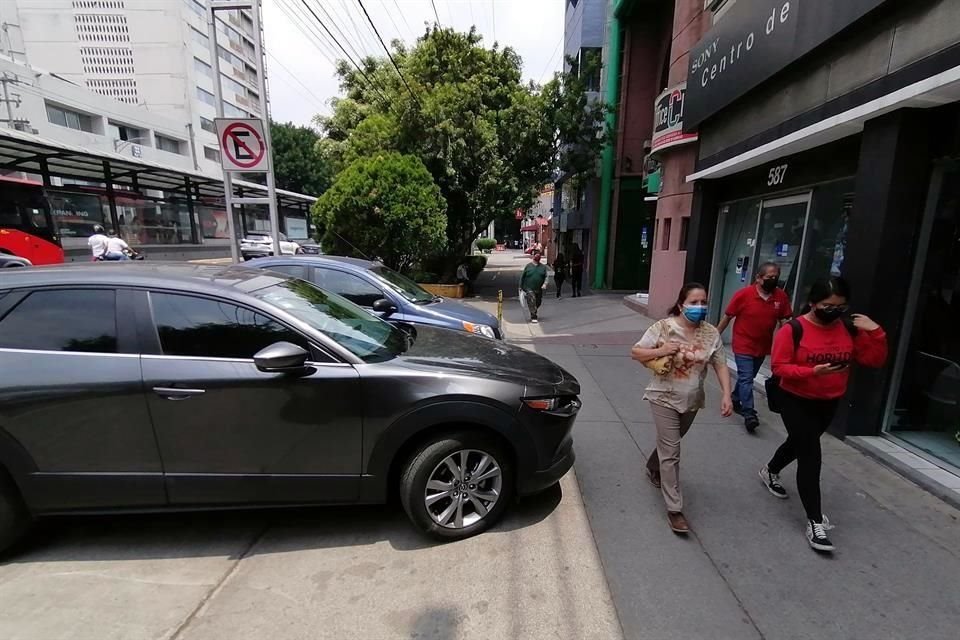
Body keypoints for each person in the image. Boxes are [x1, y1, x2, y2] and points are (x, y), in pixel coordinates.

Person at [759, 276, 887, 553]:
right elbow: (779, 368)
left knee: (798, 444)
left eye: (840, 306)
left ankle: (770, 469)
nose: (834, 311)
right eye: (828, 305)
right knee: (810, 455)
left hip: (829, 401)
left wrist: (876, 331)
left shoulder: (849, 329)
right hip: (795, 399)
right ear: (813, 303)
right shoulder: (793, 329)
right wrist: (811, 372)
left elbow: (873, 360)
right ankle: (815, 522)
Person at [631, 283, 733, 534]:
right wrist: (663, 350)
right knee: (673, 449)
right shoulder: (664, 327)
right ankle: (674, 509)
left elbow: (720, 365)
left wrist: (727, 395)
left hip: (692, 400)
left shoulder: (711, 334)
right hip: (663, 396)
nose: (700, 307)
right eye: (694, 302)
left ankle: (652, 465)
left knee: (670, 443)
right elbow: (635, 352)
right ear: (681, 305)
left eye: (703, 303)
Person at [717, 262, 793, 432]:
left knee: (748, 377)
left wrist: (788, 340)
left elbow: (785, 320)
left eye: (776, 277)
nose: (773, 280)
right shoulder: (744, 295)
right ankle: (749, 413)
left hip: (762, 346)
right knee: (746, 377)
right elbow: (728, 316)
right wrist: (715, 335)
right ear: (758, 278)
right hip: (743, 343)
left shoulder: (780, 296)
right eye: (769, 277)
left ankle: (736, 398)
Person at [519, 251, 548, 323]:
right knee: (532, 300)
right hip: (529, 288)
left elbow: (546, 277)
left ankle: (534, 309)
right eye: (536, 255)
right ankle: (533, 316)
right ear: (533, 256)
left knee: (538, 302)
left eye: (539, 255)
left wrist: (545, 284)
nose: (537, 257)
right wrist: (520, 286)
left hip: (538, 289)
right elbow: (522, 277)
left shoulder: (543, 267)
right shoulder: (528, 266)